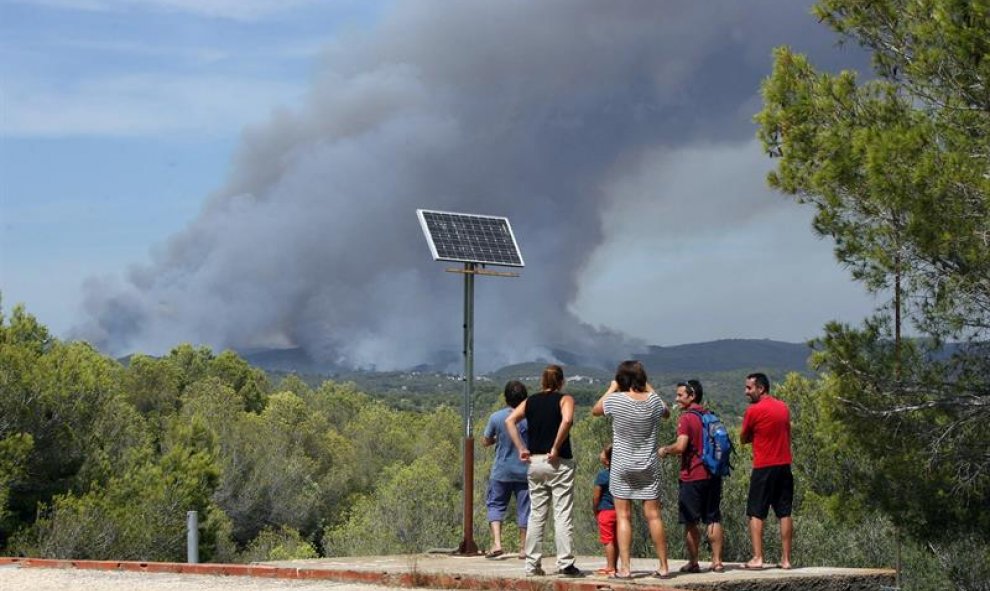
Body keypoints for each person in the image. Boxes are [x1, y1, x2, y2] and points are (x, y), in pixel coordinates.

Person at [591, 360, 671, 579]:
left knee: (623, 516)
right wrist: (649, 387)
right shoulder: (654, 401)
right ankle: (664, 566)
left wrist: (611, 388)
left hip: (622, 465)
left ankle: (625, 568)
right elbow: (667, 413)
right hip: (648, 464)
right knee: (654, 516)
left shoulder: (617, 400)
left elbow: (596, 410)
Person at [505, 364, 581, 577]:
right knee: (562, 513)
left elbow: (509, 420)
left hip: (534, 462)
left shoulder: (530, 401)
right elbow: (566, 419)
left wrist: (521, 448)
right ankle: (565, 563)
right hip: (557, 462)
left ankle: (532, 565)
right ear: (561, 381)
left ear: (542, 381)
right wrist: (556, 447)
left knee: (537, 514)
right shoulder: (565, 399)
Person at [658, 380, 725, 573]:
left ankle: (693, 562)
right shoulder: (709, 415)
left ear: (692, 396)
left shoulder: (686, 418)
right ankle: (718, 561)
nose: (677, 399)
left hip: (692, 475)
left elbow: (681, 446)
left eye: (680, 395)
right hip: (712, 474)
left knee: (690, 521)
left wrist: (665, 450)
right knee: (713, 518)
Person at [740, 372, 793, 570]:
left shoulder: (753, 411)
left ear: (760, 388)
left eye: (749, 388)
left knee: (756, 512)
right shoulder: (784, 407)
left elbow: (744, 438)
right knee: (785, 512)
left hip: (764, 467)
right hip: (784, 465)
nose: (746, 392)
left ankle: (757, 557)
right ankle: (786, 560)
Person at [482, 380, 530, 559]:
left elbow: (485, 441)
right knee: (525, 509)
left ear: (506, 398)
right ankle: (524, 548)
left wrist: (496, 439)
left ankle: (496, 543)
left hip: (502, 470)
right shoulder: (529, 417)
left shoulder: (497, 417)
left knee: (496, 504)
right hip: (525, 471)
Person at [592, 444, 617, 576]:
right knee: (618, 540)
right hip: (620, 512)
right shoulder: (621, 474)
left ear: (607, 460)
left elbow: (596, 496)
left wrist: (595, 509)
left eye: (603, 453)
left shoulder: (602, 475)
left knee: (608, 540)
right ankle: (616, 566)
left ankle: (610, 566)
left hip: (606, 511)